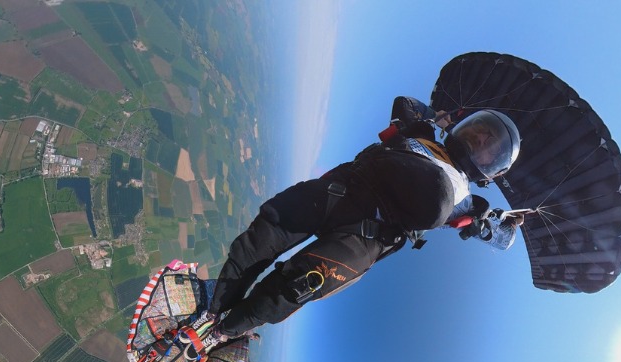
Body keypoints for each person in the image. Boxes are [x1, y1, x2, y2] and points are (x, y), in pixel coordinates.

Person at [207, 97, 524, 339]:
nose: (480, 139)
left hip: (368, 236)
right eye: (480, 130)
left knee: (290, 289)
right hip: (343, 189)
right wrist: (435, 115)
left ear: (490, 170)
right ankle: (213, 311)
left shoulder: (471, 204)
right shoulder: (422, 131)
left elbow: (496, 236)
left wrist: (505, 227)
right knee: (259, 241)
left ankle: (223, 332)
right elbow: (404, 103)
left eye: (489, 145)